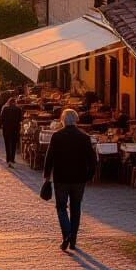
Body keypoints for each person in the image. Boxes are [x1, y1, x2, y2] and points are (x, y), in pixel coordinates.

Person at [43, 108, 97, 252]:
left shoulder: (57, 136)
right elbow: (92, 159)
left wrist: (47, 176)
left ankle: (67, 233)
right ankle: (73, 240)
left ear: (63, 120)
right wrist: (89, 176)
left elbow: (49, 158)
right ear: (76, 120)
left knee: (61, 207)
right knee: (76, 208)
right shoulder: (84, 137)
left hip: (61, 178)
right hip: (79, 179)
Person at [0, 96, 23, 168]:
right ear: (15, 103)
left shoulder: (5, 109)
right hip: (15, 130)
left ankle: (8, 159)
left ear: (9, 102)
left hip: (6, 130)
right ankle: (12, 158)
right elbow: (21, 119)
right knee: (14, 144)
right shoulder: (18, 109)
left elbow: (1, 118)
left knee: (7, 145)